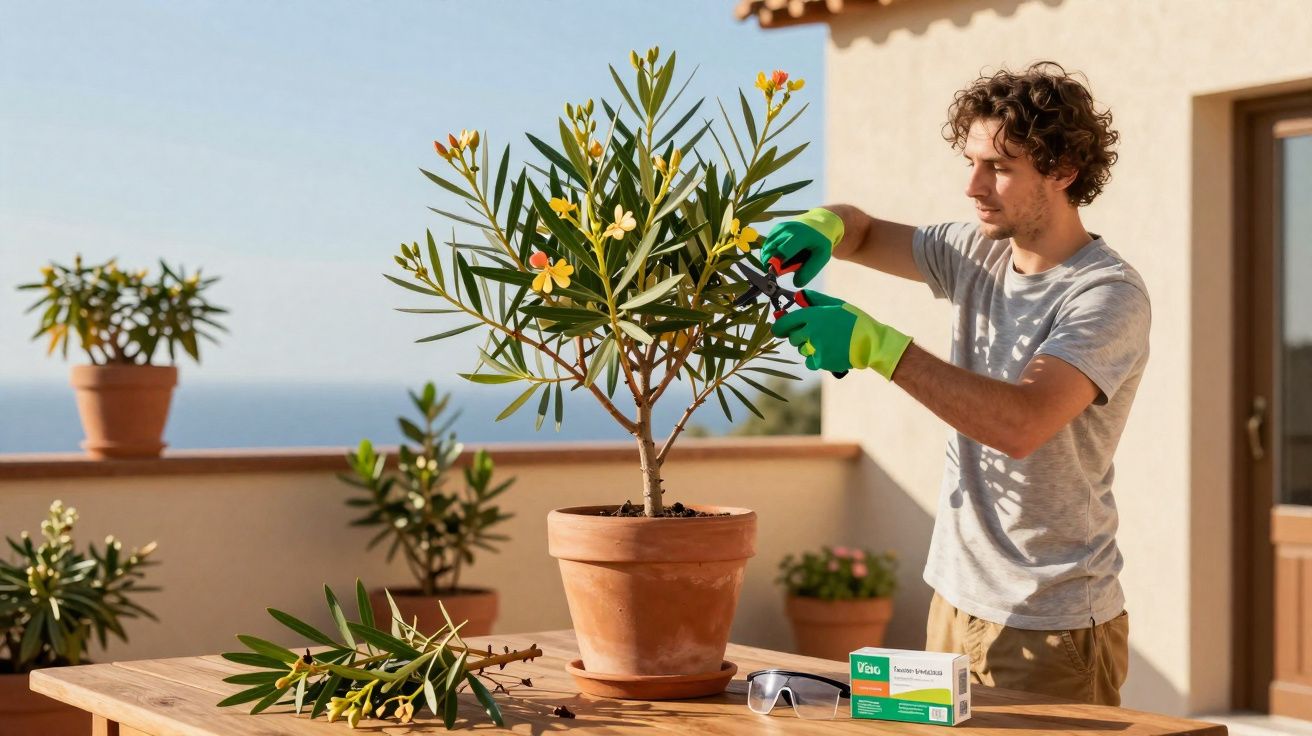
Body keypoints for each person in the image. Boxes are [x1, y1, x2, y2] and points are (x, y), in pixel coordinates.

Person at [760, 61, 1147, 706]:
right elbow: (861, 232)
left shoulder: (1106, 294)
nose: (973, 185)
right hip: (953, 601)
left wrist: (878, 348)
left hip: (1049, 626)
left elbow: (1021, 425)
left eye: (999, 166)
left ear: (1063, 170)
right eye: (970, 160)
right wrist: (825, 224)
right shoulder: (976, 251)